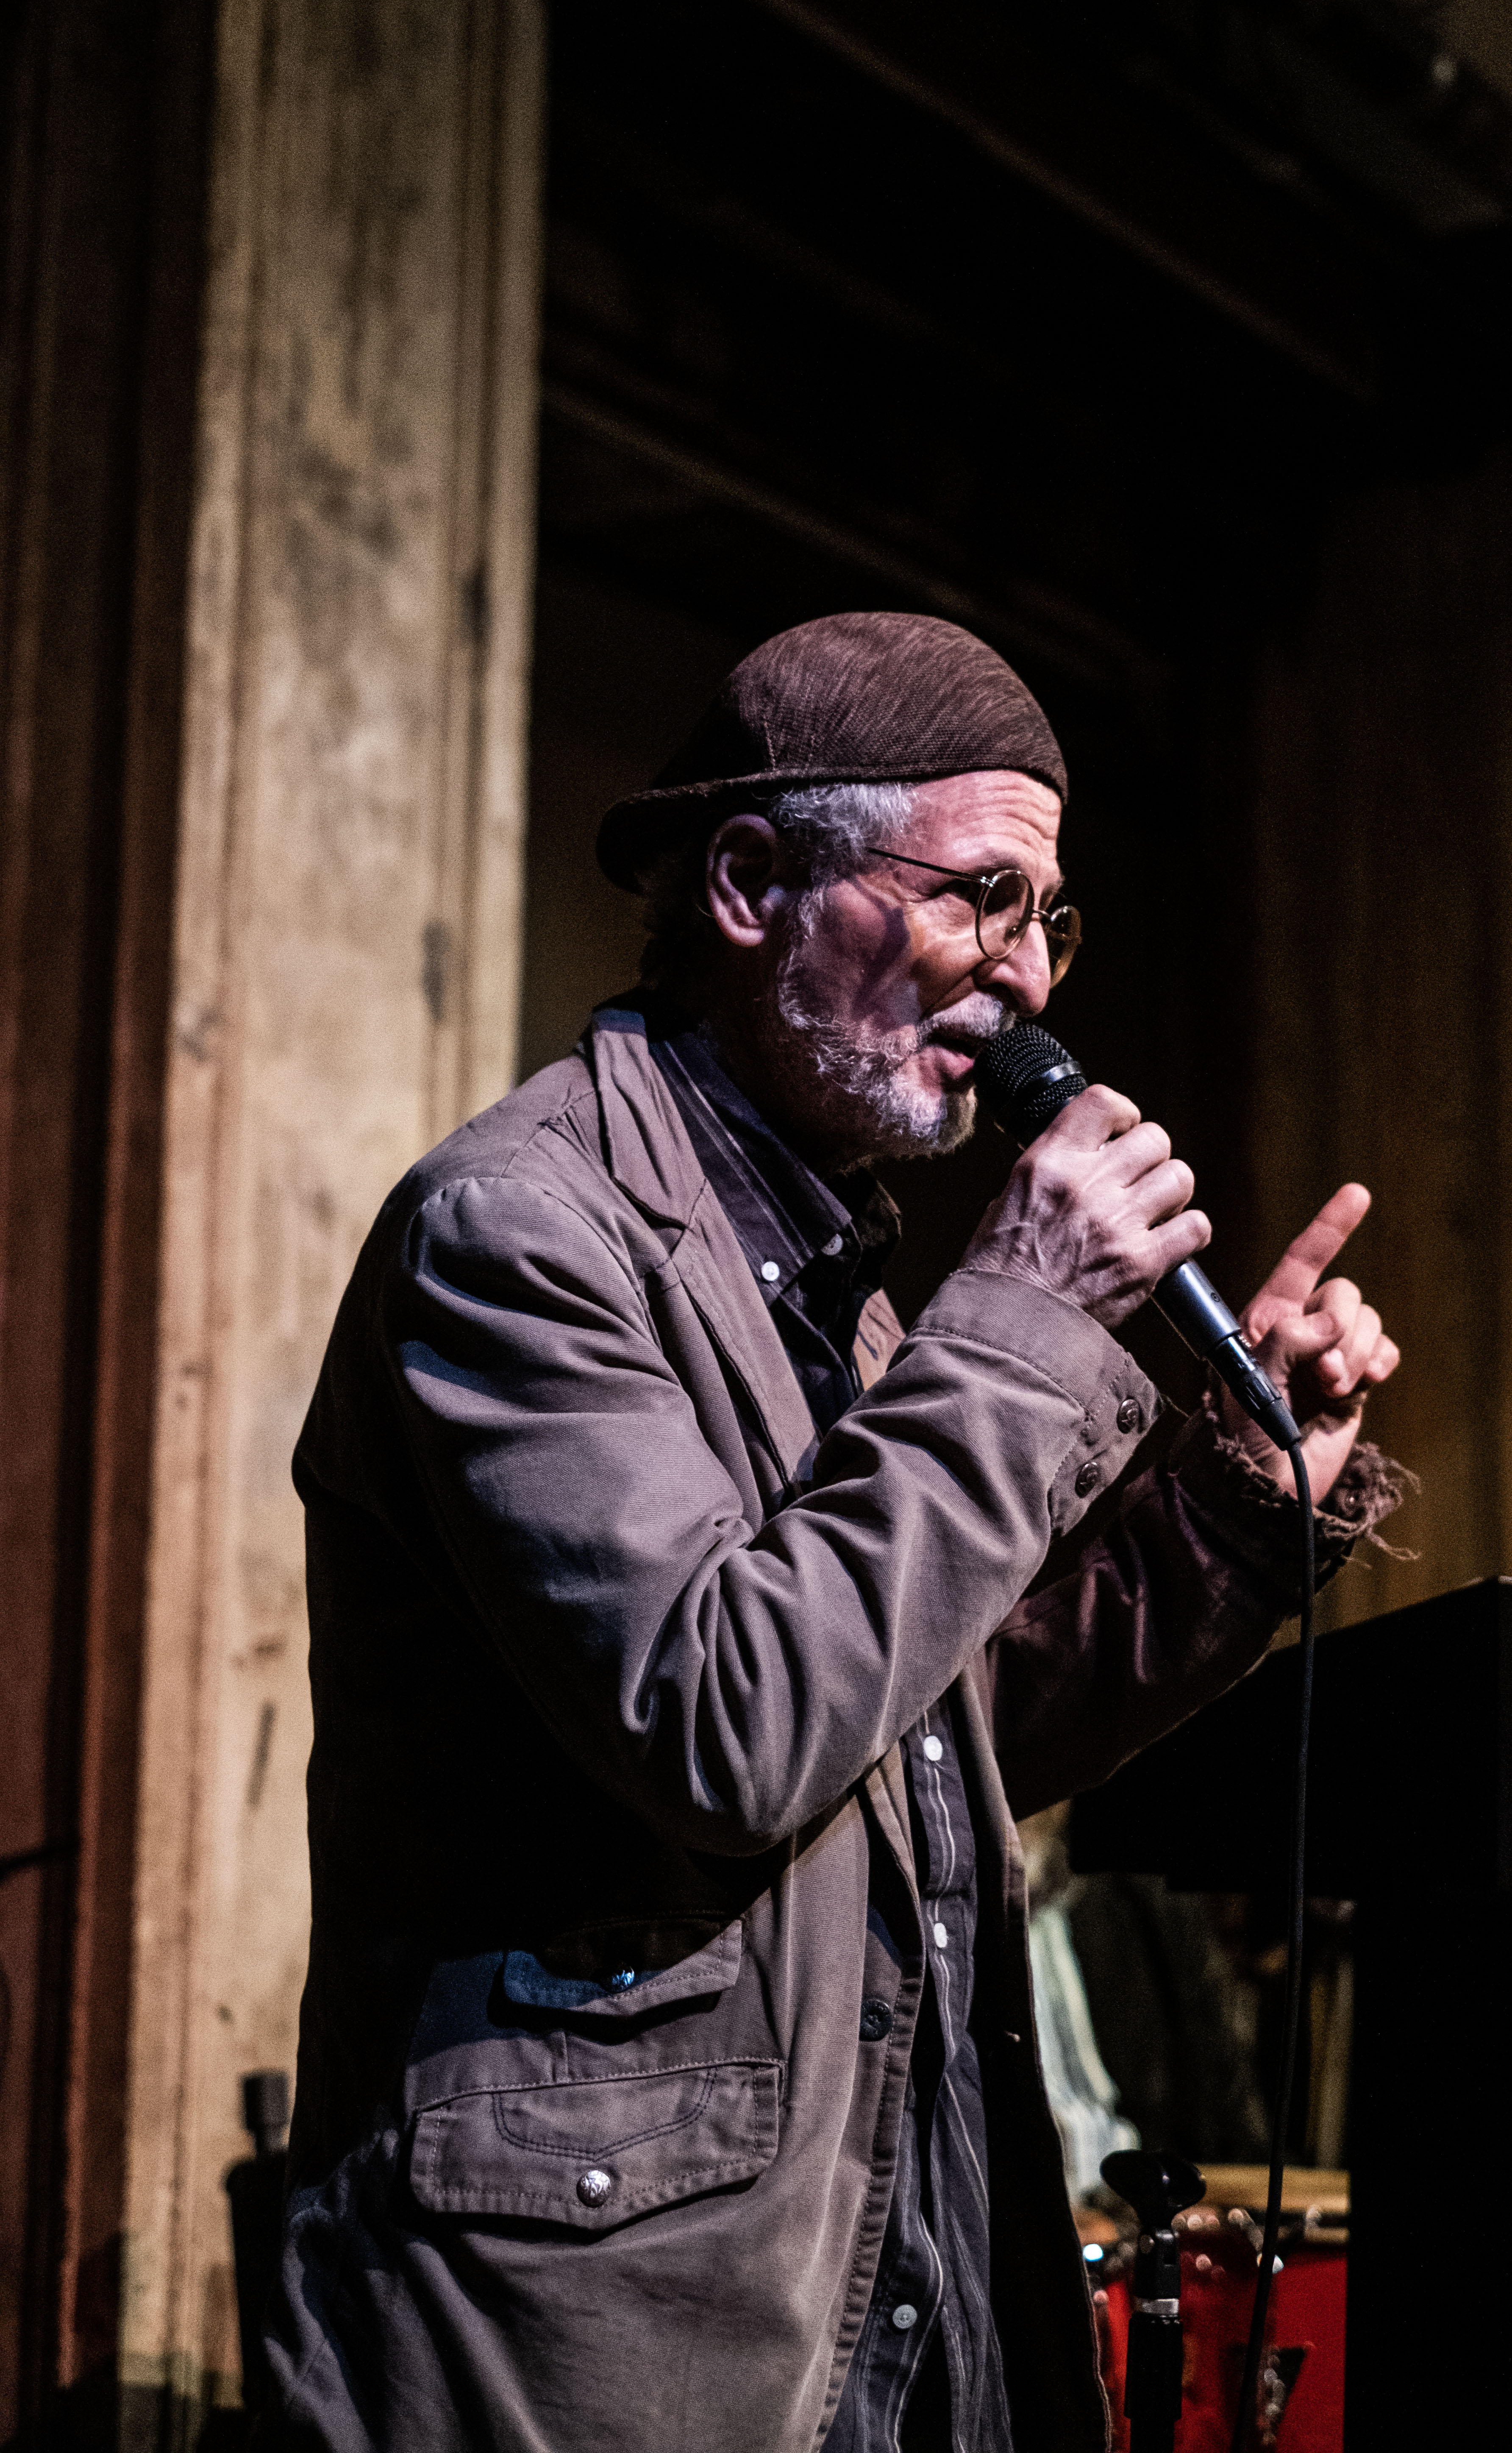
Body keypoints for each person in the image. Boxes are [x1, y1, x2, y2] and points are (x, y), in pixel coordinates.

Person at [265, 613, 1405, 2453]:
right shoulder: (516, 1236)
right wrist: (1026, 1313)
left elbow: (929, 1738)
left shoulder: (831, 1291)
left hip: (868, 2294)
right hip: (584, 2354)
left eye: (1048, 923)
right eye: (975, 899)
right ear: (747, 883)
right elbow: (730, 1724)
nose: (1022, 980)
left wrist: (1233, 1516)